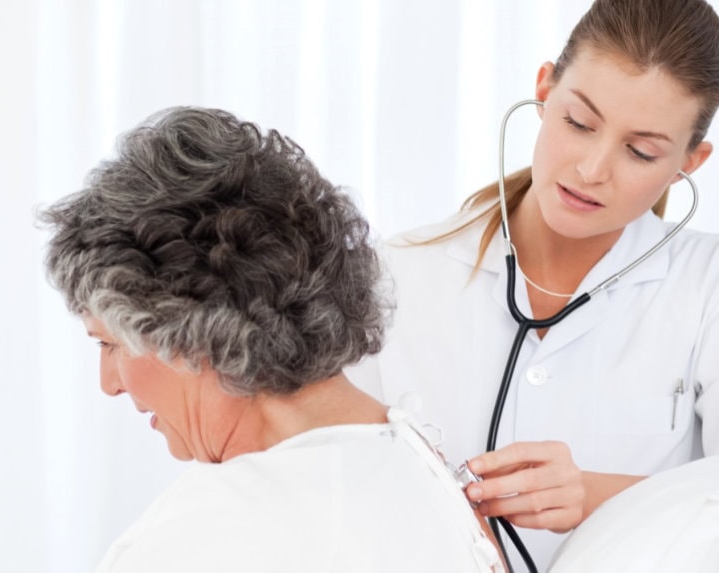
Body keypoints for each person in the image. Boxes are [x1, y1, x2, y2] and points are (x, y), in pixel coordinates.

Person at [347, 0, 719, 568]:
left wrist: (590, 493)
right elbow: (324, 478)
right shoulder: (395, 273)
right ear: (545, 89)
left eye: (640, 151)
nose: (593, 168)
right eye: (579, 122)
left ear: (689, 162)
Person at [41, 107, 504, 572]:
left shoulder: (216, 532)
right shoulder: (423, 474)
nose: (110, 383)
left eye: (110, 344)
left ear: (184, 328)